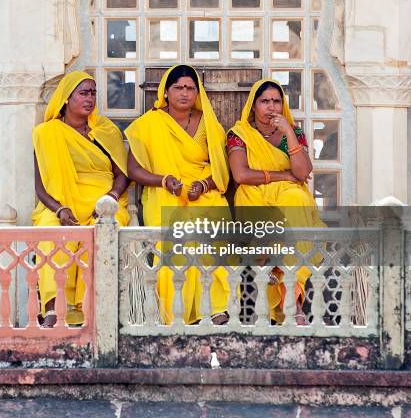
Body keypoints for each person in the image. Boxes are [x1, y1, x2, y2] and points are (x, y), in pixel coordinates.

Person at [125, 64, 231, 325]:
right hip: (164, 191)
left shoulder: (208, 123)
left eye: (190, 88)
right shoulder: (149, 123)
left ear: (197, 92)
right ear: (166, 91)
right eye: (178, 87)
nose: (184, 93)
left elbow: (221, 167)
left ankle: (216, 307)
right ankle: (177, 309)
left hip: (203, 192)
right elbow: (133, 169)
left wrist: (204, 186)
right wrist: (163, 180)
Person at [32, 71, 130, 327]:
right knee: (50, 233)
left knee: (105, 233)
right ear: (66, 98)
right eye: (83, 93)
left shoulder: (106, 131)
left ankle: (90, 311)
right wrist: (60, 209)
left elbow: (122, 174)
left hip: (105, 202)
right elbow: (41, 187)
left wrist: (111, 197)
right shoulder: (47, 133)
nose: (90, 98)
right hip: (60, 203)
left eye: (93, 93)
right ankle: (54, 310)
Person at [227, 78, 324, 325]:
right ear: (253, 106)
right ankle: (285, 305)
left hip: (288, 192)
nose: (271, 107)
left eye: (276, 101)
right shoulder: (240, 134)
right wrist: (281, 175)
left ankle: (293, 300)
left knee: (296, 203)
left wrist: (289, 133)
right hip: (254, 193)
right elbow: (241, 175)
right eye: (264, 101)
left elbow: (302, 173)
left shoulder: (294, 132)